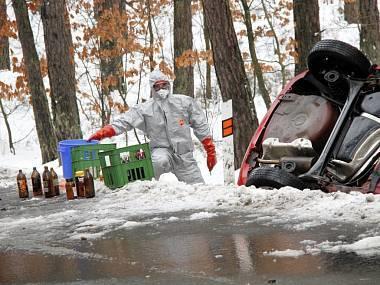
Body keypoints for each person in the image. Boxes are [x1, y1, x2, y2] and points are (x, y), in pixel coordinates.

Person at [88, 70, 217, 184]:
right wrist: (102, 133)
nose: (161, 89)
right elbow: (124, 122)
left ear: (169, 85)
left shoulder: (184, 103)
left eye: (164, 85)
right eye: (157, 86)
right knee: (157, 162)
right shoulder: (145, 109)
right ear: (152, 88)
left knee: (198, 188)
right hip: (161, 150)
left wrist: (210, 150)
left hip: (184, 155)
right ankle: (142, 188)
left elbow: (200, 124)